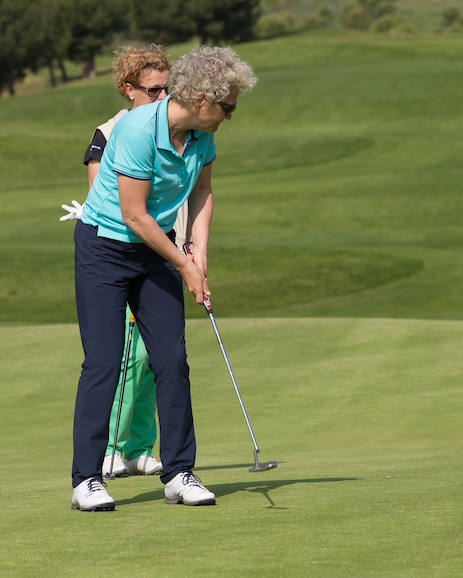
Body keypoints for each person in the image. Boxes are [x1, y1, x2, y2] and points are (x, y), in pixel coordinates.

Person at [70, 46, 256, 511]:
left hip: (154, 254)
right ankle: (87, 479)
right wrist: (184, 264)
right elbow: (134, 215)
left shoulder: (201, 135)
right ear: (198, 97)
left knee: (171, 359)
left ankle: (178, 472)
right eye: (226, 106)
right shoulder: (135, 129)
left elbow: (203, 190)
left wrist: (199, 251)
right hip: (105, 248)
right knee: (105, 361)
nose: (230, 116)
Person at [64, 44, 173, 479]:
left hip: (163, 251)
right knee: (119, 358)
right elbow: (105, 201)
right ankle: (110, 446)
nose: (163, 98)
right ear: (129, 89)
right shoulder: (108, 132)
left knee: (155, 358)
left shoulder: (174, 128)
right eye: (153, 90)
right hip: (118, 252)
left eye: (170, 88)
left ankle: (138, 446)